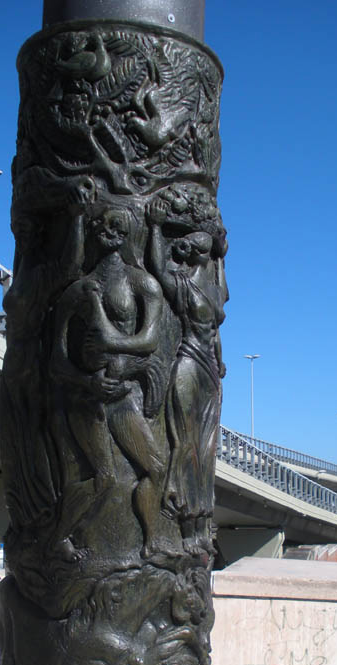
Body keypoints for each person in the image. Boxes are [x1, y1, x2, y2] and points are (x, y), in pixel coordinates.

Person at [50, 207, 167, 558]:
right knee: (104, 478)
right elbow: (56, 359)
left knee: (156, 468)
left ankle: (151, 543)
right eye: (101, 224)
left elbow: (149, 340)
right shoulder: (78, 291)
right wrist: (87, 383)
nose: (109, 231)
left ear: (129, 232)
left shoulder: (142, 283)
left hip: (123, 396)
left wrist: (109, 342)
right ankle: (59, 538)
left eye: (118, 225)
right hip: (88, 398)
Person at [147, 195, 228, 552]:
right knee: (185, 444)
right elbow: (157, 267)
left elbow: (216, 333)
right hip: (188, 364)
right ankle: (180, 517)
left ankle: (198, 527)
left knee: (206, 450)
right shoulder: (186, 285)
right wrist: (152, 228)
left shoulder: (213, 288)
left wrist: (221, 362)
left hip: (209, 371)